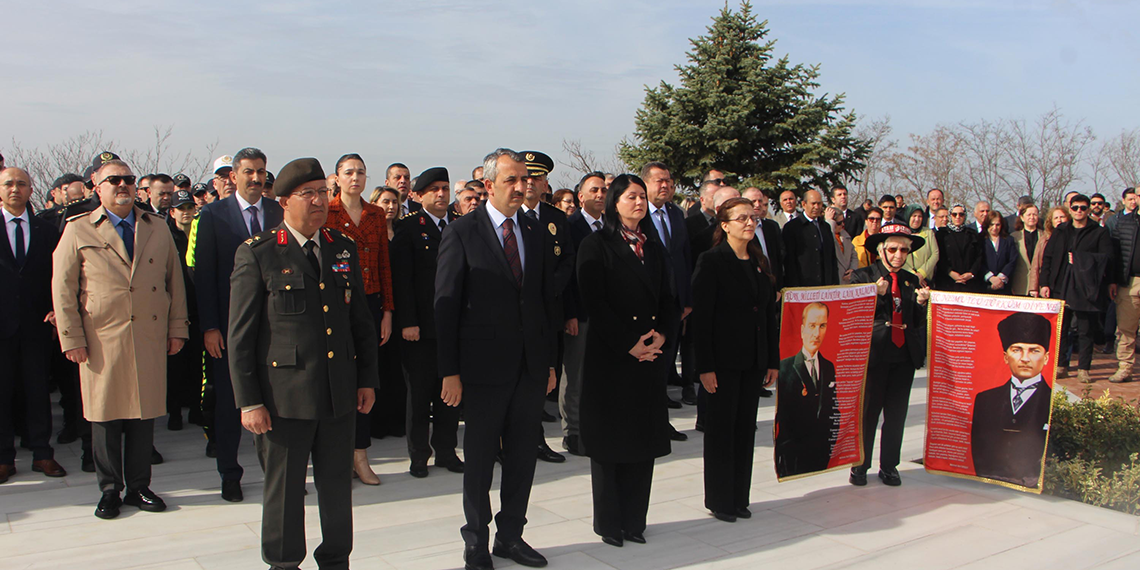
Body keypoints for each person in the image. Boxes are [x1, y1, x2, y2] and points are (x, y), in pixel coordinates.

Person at [227, 157, 379, 570]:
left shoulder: (341, 248)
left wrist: (366, 378)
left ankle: (335, 560)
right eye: (307, 194)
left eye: (322, 192)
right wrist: (249, 402)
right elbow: (240, 337)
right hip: (284, 399)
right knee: (285, 492)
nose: (317, 201)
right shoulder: (258, 254)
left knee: (336, 488)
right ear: (283, 202)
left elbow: (359, 323)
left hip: (338, 393)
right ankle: (283, 562)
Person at [435, 148, 557, 570]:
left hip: (529, 366)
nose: (522, 187)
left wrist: (550, 362)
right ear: (488, 185)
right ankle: (476, 540)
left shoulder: (534, 229)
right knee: (481, 460)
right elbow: (445, 306)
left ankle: (511, 535)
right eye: (512, 180)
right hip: (482, 370)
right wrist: (449, 371)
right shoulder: (462, 231)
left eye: (525, 180)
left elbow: (542, 300)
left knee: (523, 456)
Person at [52, 158, 188, 518]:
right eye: (114, 180)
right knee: (105, 416)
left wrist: (177, 329)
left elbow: (175, 281)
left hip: (148, 333)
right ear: (97, 187)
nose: (122, 185)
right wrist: (72, 338)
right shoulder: (79, 229)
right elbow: (63, 288)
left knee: (144, 416)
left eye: (128, 179)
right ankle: (110, 488)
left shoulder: (156, 227)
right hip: (101, 339)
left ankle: (140, 486)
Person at [577, 173, 678, 545]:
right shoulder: (596, 244)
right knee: (610, 444)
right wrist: (629, 343)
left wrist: (663, 336)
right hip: (613, 356)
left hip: (650, 355)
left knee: (642, 440)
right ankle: (609, 523)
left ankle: (635, 521)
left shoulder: (654, 248)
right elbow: (595, 303)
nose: (638, 202)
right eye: (630, 196)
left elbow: (670, 297)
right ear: (614, 203)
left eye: (641, 196)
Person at [193, 147, 284, 502]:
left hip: (275, 326)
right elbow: (205, 276)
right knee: (232, 403)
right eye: (248, 171)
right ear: (233, 176)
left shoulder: (279, 212)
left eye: (261, 171)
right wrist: (210, 327)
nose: (256, 178)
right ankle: (230, 473)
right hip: (229, 326)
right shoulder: (213, 216)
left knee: (273, 403)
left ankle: (276, 474)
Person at [692, 197, 777, 523]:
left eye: (752, 218)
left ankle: (740, 497)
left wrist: (771, 359)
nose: (749, 223)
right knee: (721, 432)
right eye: (741, 218)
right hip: (723, 362)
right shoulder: (711, 261)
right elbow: (703, 318)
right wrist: (706, 367)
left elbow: (768, 314)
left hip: (753, 361)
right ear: (724, 225)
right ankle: (720, 500)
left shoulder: (759, 261)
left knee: (744, 430)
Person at [325, 154, 396, 485]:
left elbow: (384, 263)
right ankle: (335, 456)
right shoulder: (326, 212)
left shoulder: (375, 214)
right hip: (335, 304)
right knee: (336, 378)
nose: (355, 177)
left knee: (367, 377)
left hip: (368, 303)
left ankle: (360, 453)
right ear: (337, 177)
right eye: (349, 172)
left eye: (361, 172)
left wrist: (387, 310)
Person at [391, 167, 463, 478]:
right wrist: (408, 321)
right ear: (418, 195)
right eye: (434, 189)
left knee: (450, 394)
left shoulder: (460, 226)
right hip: (419, 328)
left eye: (445, 188)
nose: (441, 194)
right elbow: (402, 280)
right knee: (420, 395)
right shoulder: (409, 228)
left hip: (454, 327)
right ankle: (419, 455)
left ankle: (446, 451)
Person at [850, 221, 930, 487]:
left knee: (896, 414)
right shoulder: (862, 276)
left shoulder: (911, 280)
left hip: (903, 355)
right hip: (875, 355)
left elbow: (917, 321)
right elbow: (854, 315)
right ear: (881, 249)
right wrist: (874, 294)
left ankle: (889, 466)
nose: (898, 255)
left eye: (904, 250)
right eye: (893, 249)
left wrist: (920, 304)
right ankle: (860, 465)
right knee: (868, 412)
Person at [1, 167, 66, 483]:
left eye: (22, 184)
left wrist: (57, 310)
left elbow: (59, 276)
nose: (15, 189)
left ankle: (42, 453)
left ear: (31, 189)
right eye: (8, 184)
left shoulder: (46, 230)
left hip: (37, 325)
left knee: (37, 391)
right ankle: (3, 458)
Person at [520, 150, 576, 463]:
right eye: (525, 177)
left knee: (544, 377)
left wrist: (553, 291)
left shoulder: (555, 218)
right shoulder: (509, 215)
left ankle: (537, 440)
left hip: (548, 311)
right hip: (516, 313)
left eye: (537, 178)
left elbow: (568, 258)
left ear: (546, 184)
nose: (530, 183)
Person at [639, 161, 695, 432]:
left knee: (667, 359)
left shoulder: (676, 214)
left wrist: (686, 299)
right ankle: (651, 418)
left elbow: (684, 257)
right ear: (645, 184)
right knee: (650, 362)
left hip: (674, 302)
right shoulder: (638, 215)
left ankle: (660, 416)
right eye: (659, 181)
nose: (665, 186)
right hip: (649, 301)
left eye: (669, 181)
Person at [970, 313, 1053, 488]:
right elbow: (979, 445)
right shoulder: (985, 399)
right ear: (1006, 356)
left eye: (1034, 351)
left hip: (1031, 484)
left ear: (1046, 357)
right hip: (988, 482)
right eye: (1017, 350)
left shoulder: (1052, 400)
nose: (1025, 359)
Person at [1040, 194, 1112, 384]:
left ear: (1089, 210)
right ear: (1069, 209)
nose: (1079, 211)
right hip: (1061, 283)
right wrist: (1044, 283)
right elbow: (1047, 258)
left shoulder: (1098, 232)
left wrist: (1081, 259)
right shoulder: (1061, 231)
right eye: (1075, 208)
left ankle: (1084, 368)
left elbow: (1106, 258)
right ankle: (1061, 365)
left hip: (1086, 286)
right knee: (1061, 328)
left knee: (1085, 329)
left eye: (1083, 207)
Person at [560, 171, 607, 455]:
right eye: (594, 190)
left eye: (603, 190)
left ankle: (596, 424)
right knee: (575, 375)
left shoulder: (612, 226)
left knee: (599, 374)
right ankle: (573, 431)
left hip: (607, 315)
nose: (600, 195)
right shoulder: (570, 226)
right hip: (580, 313)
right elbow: (567, 275)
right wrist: (570, 314)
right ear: (581, 196)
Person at [774, 303, 839, 478]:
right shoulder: (785, 367)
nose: (817, 334)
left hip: (822, 454)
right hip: (793, 456)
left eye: (822, 326)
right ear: (802, 329)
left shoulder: (829, 367)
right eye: (812, 326)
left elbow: (833, 408)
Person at [165, 189, 202, 432]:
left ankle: (197, 409)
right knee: (174, 365)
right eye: (182, 209)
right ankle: (174, 412)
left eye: (190, 208)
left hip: (198, 306)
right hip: (175, 309)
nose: (186, 213)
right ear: (172, 212)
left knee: (197, 364)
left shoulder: (201, 235)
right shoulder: (166, 237)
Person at [1110, 189, 1140, 383]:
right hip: (1130, 282)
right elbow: (1115, 254)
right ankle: (1125, 367)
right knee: (1127, 329)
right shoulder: (1124, 222)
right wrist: (1113, 279)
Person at [782, 189, 839, 287]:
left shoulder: (825, 226)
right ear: (804, 204)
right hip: (803, 285)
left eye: (819, 204)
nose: (816, 207)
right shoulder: (792, 227)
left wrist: (834, 281)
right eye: (813, 204)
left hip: (825, 284)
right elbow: (789, 260)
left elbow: (831, 256)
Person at [935, 204, 984, 291]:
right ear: (950, 216)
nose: (958, 217)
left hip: (969, 282)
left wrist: (971, 273)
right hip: (947, 282)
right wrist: (950, 272)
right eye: (954, 214)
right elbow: (939, 256)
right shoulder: (941, 234)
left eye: (961, 214)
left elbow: (979, 256)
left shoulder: (972, 234)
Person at [1028, 207, 1069, 297]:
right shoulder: (1044, 239)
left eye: (1062, 217)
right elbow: (1035, 265)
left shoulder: (1071, 237)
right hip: (1048, 284)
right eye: (1056, 218)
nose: (1059, 220)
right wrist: (1034, 288)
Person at [902, 206, 939, 287]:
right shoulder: (902, 233)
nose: (917, 219)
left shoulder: (929, 232)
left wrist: (922, 273)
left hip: (926, 280)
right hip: (907, 279)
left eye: (920, 216)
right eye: (914, 216)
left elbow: (935, 254)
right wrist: (914, 275)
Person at [981, 211, 1016, 295]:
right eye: (992, 224)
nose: (994, 227)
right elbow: (978, 261)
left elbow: (1013, 260)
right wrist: (991, 278)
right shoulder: (980, 239)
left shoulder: (1008, 240)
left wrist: (1000, 278)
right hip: (985, 286)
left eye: (998, 225)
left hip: (1004, 285)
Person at [1011, 205, 1042, 296]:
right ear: (1022, 217)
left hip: (1039, 286)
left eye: (1035, 214)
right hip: (1020, 285)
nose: (1032, 217)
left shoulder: (1045, 236)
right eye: (1029, 215)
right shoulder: (1014, 237)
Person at [834, 211, 859, 284]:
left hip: (847, 281)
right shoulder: (826, 236)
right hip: (834, 282)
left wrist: (852, 269)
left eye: (843, 221)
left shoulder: (845, 235)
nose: (842, 224)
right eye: (839, 223)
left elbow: (854, 255)